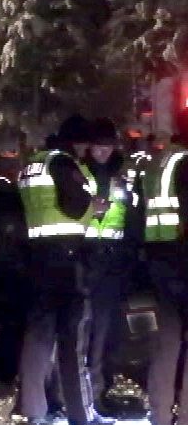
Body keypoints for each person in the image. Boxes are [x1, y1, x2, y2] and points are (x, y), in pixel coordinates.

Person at [16, 114, 108, 425]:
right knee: (73, 341)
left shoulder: (33, 165)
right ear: (75, 142)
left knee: (38, 338)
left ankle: (32, 408)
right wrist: (95, 206)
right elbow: (73, 206)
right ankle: (80, 414)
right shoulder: (63, 164)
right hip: (67, 262)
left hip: (38, 259)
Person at [83, 117, 134, 409]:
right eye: (97, 146)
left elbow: (129, 215)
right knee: (85, 330)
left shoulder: (121, 174)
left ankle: (98, 390)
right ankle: (81, 392)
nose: (102, 151)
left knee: (105, 331)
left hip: (113, 260)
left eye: (107, 146)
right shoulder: (81, 173)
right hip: (87, 258)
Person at [142, 133, 188, 425]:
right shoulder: (185, 163)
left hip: (159, 258)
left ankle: (160, 415)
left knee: (167, 344)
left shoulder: (158, 162)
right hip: (183, 258)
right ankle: (186, 417)